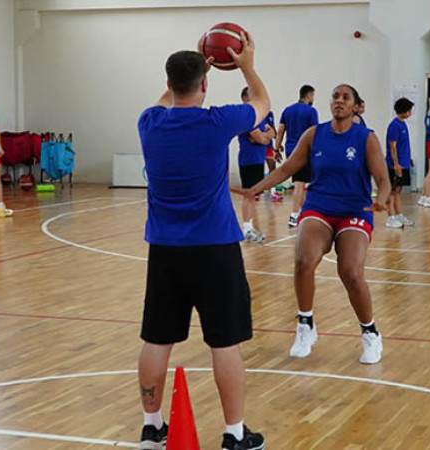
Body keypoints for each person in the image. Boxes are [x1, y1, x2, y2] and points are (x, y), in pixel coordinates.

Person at [136, 33, 268, 450]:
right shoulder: (218, 122)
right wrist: (245, 65)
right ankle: (234, 434)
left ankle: (152, 427)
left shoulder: (149, 123)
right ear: (206, 85)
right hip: (214, 249)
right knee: (224, 342)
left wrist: (197, 63)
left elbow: (169, 96)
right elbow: (262, 104)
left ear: (169, 81)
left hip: (165, 250)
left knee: (157, 339)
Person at [242, 84, 390, 365]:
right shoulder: (315, 135)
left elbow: (383, 179)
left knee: (351, 272)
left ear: (356, 106)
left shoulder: (366, 138)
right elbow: (287, 169)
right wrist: (255, 188)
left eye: (346, 97)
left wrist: (382, 199)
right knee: (303, 260)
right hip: (319, 206)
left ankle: (370, 332)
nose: (339, 101)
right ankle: (305, 325)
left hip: (354, 210)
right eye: (335, 96)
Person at [275, 85, 319, 227]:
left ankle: (303, 212)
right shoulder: (311, 111)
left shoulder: (288, 110)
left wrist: (276, 148)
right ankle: (294, 215)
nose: (313, 99)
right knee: (300, 183)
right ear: (308, 95)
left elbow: (281, 130)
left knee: (301, 182)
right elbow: (314, 132)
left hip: (289, 150)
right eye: (313, 96)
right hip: (304, 150)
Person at [238, 86, 276, 243]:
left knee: (253, 196)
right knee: (249, 194)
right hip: (249, 160)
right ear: (246, 98)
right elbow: (259, 138)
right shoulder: (247, 117)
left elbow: (270, 133)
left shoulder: (256, 117)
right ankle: (247, 229)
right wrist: (265, 136)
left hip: (257, 160)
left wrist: (265, 136)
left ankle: (250, 228)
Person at [385, 97, 415, 229]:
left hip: (404, 162)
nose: (411, 112)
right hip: (395, 164)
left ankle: (398, 215)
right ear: (404, 111)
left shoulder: (403, 124)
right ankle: (390, 216)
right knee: (390, 191)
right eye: (409, 110)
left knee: (398, 190)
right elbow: (393, 146)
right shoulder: (394, 125)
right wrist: (396, 164)